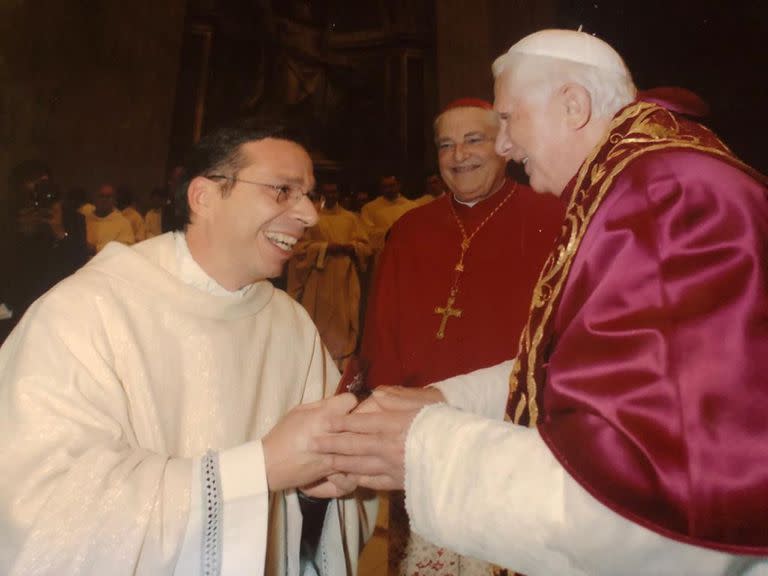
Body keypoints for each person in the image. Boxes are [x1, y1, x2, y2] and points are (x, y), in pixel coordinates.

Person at [318, 29, 768, 575]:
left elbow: (641, 497)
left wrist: (424, 446)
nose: (503, 144)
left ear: (573, 104)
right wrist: (442, 399)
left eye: (507, 119)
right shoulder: (633, 180)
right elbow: (579, 369)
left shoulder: (662, 195)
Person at [0, 121, 374, 575]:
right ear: (205, 197)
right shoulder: (85, 311)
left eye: (308, 194)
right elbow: (42, 508)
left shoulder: (289, 322)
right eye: (283, 191)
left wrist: (314, 488)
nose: (310, 215)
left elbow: (313, 523)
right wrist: (258, 469)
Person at [360, 97, 563, 575]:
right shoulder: (409, 229)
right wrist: (380, 409)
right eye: (446, 145)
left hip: (511, 432)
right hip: (421, 432)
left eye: (475, 139)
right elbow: (381, 330)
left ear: (505, 146)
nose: (459, 155)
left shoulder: (552, 219)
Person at [288, 182, 371, 369]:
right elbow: (300, 248)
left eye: (334, 192)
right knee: (319, 317)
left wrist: (352, 247)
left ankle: (342, 364)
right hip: (319, 277)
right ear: (322, 195)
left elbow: (366, 247)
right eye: (327, 192)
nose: (331, 195)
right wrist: (325, 247)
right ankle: (317, 362)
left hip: (345, 276)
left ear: (338, 194)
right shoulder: (313, 219)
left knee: (344, 318)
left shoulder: (351, 219)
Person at [360, 175, 416, 256]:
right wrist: (388, 232)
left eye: (392, 185)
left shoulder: (412, 206)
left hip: (406, 252)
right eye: (385, 186)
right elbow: (367, 233)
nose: (389, 189)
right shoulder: (369, 208)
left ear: (399, 185)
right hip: (382, 254)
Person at [85, 183, 135, 253]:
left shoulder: (123, 223)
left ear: (114, 200)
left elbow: (125, 247)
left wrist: (97, 248)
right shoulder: (85, 220)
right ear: (95, 199)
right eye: (101, 196)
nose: (104, 200)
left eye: (108, 197)